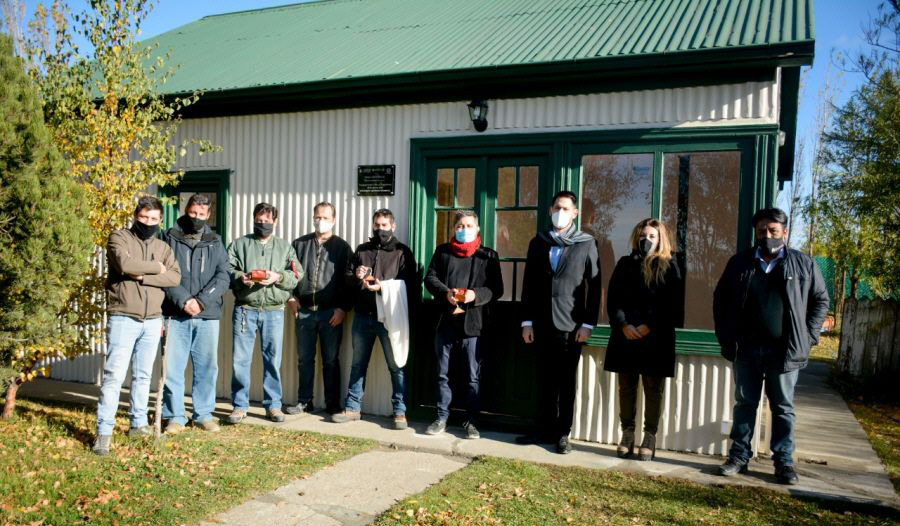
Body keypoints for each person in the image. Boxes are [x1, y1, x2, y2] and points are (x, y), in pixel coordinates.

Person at [713, 207, 829, 485]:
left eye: (773, 231)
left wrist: (809, 336)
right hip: (747, 350)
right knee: (745, 405)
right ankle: (739, 457)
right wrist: (726, 337)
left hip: (784, 352)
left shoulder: (803, 264)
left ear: (784, 233)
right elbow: (721, 301)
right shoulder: (740, 263)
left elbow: (820, 301)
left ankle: (784, 463)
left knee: (783, 408)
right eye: (762, 231)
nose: (767, 236)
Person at [93, 196, 181, 455]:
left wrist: (142, 276)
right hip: (124, 317)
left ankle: (138, 425)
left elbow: (174, 277)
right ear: (135, 215)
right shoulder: (119, 238)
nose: (149, 223)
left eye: (154, 219)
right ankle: (104, 433)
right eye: (144, 218)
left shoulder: (163, 246)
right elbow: (125, 264)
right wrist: (156, 268)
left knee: (143, 377)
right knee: (114, 377)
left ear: (160, 220)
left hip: (153, 319)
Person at [517, 191, 602, 454]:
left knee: (566, 383)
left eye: (565, 208)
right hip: (541, 323)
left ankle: (563, 433)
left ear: (575, 213)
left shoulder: (586, 243)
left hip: (571, 326)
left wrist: (588, 324)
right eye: (556, 207)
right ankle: (543, 429)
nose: (560, 212)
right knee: (544, 380)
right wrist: (527, 322)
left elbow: (595, 286)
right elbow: (529, 283)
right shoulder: (538, 242)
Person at [604, 218, 684, 461]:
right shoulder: (625, 264)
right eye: (642, 235)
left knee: (653, 388)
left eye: (651, 236)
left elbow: (673, 304)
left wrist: (649, 326)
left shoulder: (671, 266)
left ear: (660, 239)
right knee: (626, 387)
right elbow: (613, 299)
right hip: (625, 336)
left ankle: (649, 437)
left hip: (655, 338)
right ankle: (627, 434)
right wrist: (623, 324)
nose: (646, 240)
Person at [332, 209, 419, 429]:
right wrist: (357, 276)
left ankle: (399, 411)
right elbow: (347, 280)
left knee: (396, 365)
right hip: (363, 316)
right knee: (358, 364)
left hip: (390, 318)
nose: (380, 229)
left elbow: (410, 285)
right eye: (377, 225)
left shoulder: (402, 252)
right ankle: (352, 408)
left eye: (384, 225)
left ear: (393, 226)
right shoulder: (362, 250)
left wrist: (383, 287)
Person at [424, 210, 503, 439]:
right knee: (442, 374)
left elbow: (496, 289)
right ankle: (441, 418)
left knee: (472, 376)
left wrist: (474, 295)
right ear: (454, 229)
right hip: (445, 323)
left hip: (474, 326)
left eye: (469, 225)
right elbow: (430, 278)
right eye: (459, 225)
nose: (464, 229)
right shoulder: (443, 252)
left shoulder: (488, 256)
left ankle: (472, 421)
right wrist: (445, 293)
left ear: (477, 229)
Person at [160, 194, 230, 434]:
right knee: (172, 368)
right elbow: (163, 273)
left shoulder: (215, 241)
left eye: (201, 215)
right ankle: (175, 417)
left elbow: (223, 276)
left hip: (207, 314)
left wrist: (200, 301)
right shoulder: (168, 237)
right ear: (186, 210)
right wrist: (183, 299)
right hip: (175, 314)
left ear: (208, 215)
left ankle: (203, 414)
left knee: (207, 368)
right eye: (192, 214)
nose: (196, 219)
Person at [227, 202, 302, 424]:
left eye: (267, 221)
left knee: (272, 360)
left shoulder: (285, 247)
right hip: (245, 310)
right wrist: (242, 278)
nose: (263, 224)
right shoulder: (240, 244)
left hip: (274, 312)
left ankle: (273, 406)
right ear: (253, 220)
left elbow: (297, 273)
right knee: (240, 361)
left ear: (275, 222)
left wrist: (278, 277)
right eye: (259, 221)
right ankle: (240, 406)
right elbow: (227, 269)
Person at [285, 202, 353, 416]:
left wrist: (343, 308)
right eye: (317, 217)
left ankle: (333, 403)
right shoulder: (299, 244)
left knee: (331, 360)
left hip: (330, 313)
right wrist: (290, 297)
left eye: (325, 217)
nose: (320, 221)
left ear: (333, 220)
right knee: (305, 359)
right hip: (304, 311)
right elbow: (288, 273)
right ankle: (304, 401)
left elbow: (348, 282)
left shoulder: (342, 248)